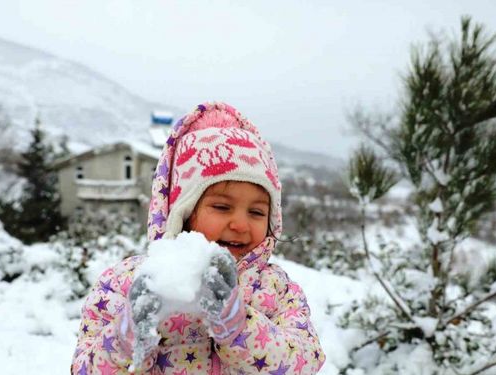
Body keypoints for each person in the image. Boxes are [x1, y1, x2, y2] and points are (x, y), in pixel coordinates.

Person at [71, 102, 325, 374]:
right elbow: (84, 369)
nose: (240, 224)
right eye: (222, 207)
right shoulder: (125, 282)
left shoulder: (275, 289)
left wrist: (238, 326)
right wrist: (129, 332)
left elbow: (305, 363)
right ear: (183, 211)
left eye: (256, 212)